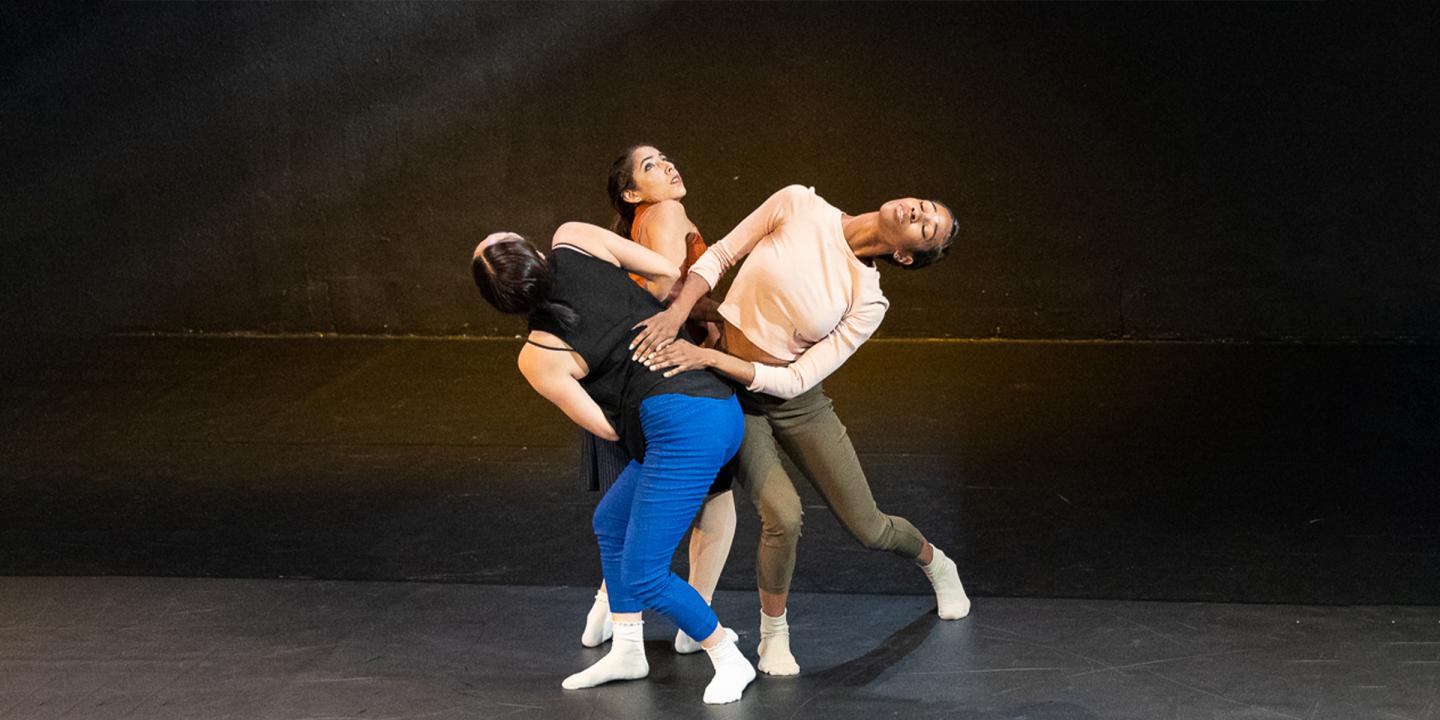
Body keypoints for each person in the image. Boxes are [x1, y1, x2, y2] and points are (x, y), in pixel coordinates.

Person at [632, 184, 970, 676]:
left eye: (926, 226)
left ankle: (936, 563)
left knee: (869, 527)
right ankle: (774, 634)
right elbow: (722, 254)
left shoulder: (869, 300)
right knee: (783, 516)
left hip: (795, 403)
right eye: (925, 206)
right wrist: (677, 314)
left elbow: (798, 380)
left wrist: (707, 356)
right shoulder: (799, 204)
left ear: (905, 254)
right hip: (735, 399)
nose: (919, 211)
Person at [471, 222, 754, 704]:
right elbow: (666, 270)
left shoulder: (538, 353)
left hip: (683, 429)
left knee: (646, 572)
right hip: (716, 406)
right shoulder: (575, 239)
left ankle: (728, 656)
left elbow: (605, 428)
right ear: (536, 252)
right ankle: (627, 649)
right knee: (611, 522)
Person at [579, 145, 737, 656]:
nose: (668, 165)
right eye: (651, 167)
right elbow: (669, 284)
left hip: (631, 369)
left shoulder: (639, 221)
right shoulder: (666, 212)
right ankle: (698, 621)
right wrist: (712, 320)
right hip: (669, 372)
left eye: (666, 158)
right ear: (631, 193)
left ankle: (607, 608)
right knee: (715, 494)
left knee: (632, 498)